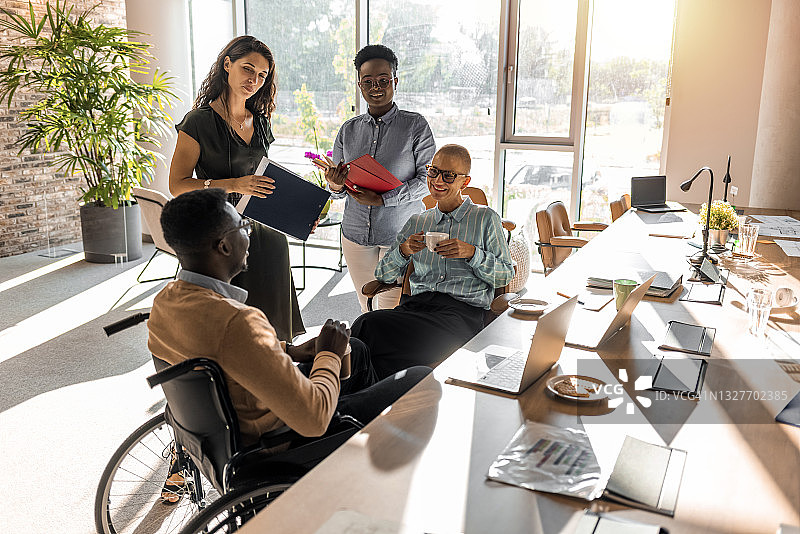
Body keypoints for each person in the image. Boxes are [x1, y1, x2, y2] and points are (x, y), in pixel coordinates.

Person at [148, 188, 431, 501]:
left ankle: (362, 450)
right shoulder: (238, 321)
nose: (248, 232)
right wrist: (328, 355)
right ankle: (367, 455)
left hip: (223, 431)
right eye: (243, 226)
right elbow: (313, 419)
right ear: (224, 246)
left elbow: (222, 352)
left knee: (360, 350)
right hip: (280, 440)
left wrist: (292, 350)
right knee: (420, 378)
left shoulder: (166, 302)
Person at [168, 35, 302, 341]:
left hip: (263, 228)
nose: (253, 80)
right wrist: (233, 185)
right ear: (227, 65)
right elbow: (177, 185)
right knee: (226, 326)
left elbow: (264, 179)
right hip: (219, 231)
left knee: (272, 326)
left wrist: (297, 210)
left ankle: (277, 366)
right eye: (247, 69)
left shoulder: (262, 122)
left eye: (262, 75)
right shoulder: (198, 122)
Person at [351, 145, 513, 378]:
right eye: (433, 171)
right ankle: (357, 398)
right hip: (415, 308)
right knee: (366, 325)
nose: (438, 180)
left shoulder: (485, 218)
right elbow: (383, 275)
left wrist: (472, 253)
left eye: (448, 175)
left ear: (464, 182)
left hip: (460, 316)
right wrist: (404, 251)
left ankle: (363, 397)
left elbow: (505, 275)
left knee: (381, 349)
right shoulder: (418, 222)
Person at [314, 44, 436, 312]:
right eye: (368, 81)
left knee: (389, 311)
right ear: (359, 85)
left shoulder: (416, 126)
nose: (376, 87)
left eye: (383, 80)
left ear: (396, 81)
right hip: (355, 234)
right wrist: (335, 183)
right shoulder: (349, 130)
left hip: (400, 235)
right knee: (366, 307)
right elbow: (338, 190)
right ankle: (367, 354)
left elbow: (428, 180)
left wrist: (384, 199)